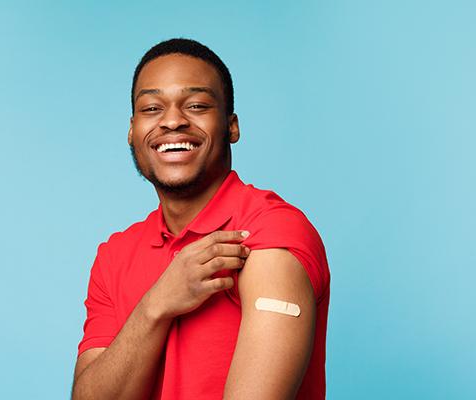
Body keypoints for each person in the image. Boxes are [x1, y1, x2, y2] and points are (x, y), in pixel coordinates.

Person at [71, 38, 330, 399]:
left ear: (231, 126)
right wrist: (156, 305)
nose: (173, 121)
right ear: (132, 131)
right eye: (151, 108)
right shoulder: (114, 255)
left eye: (196, 105)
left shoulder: (271, 233)